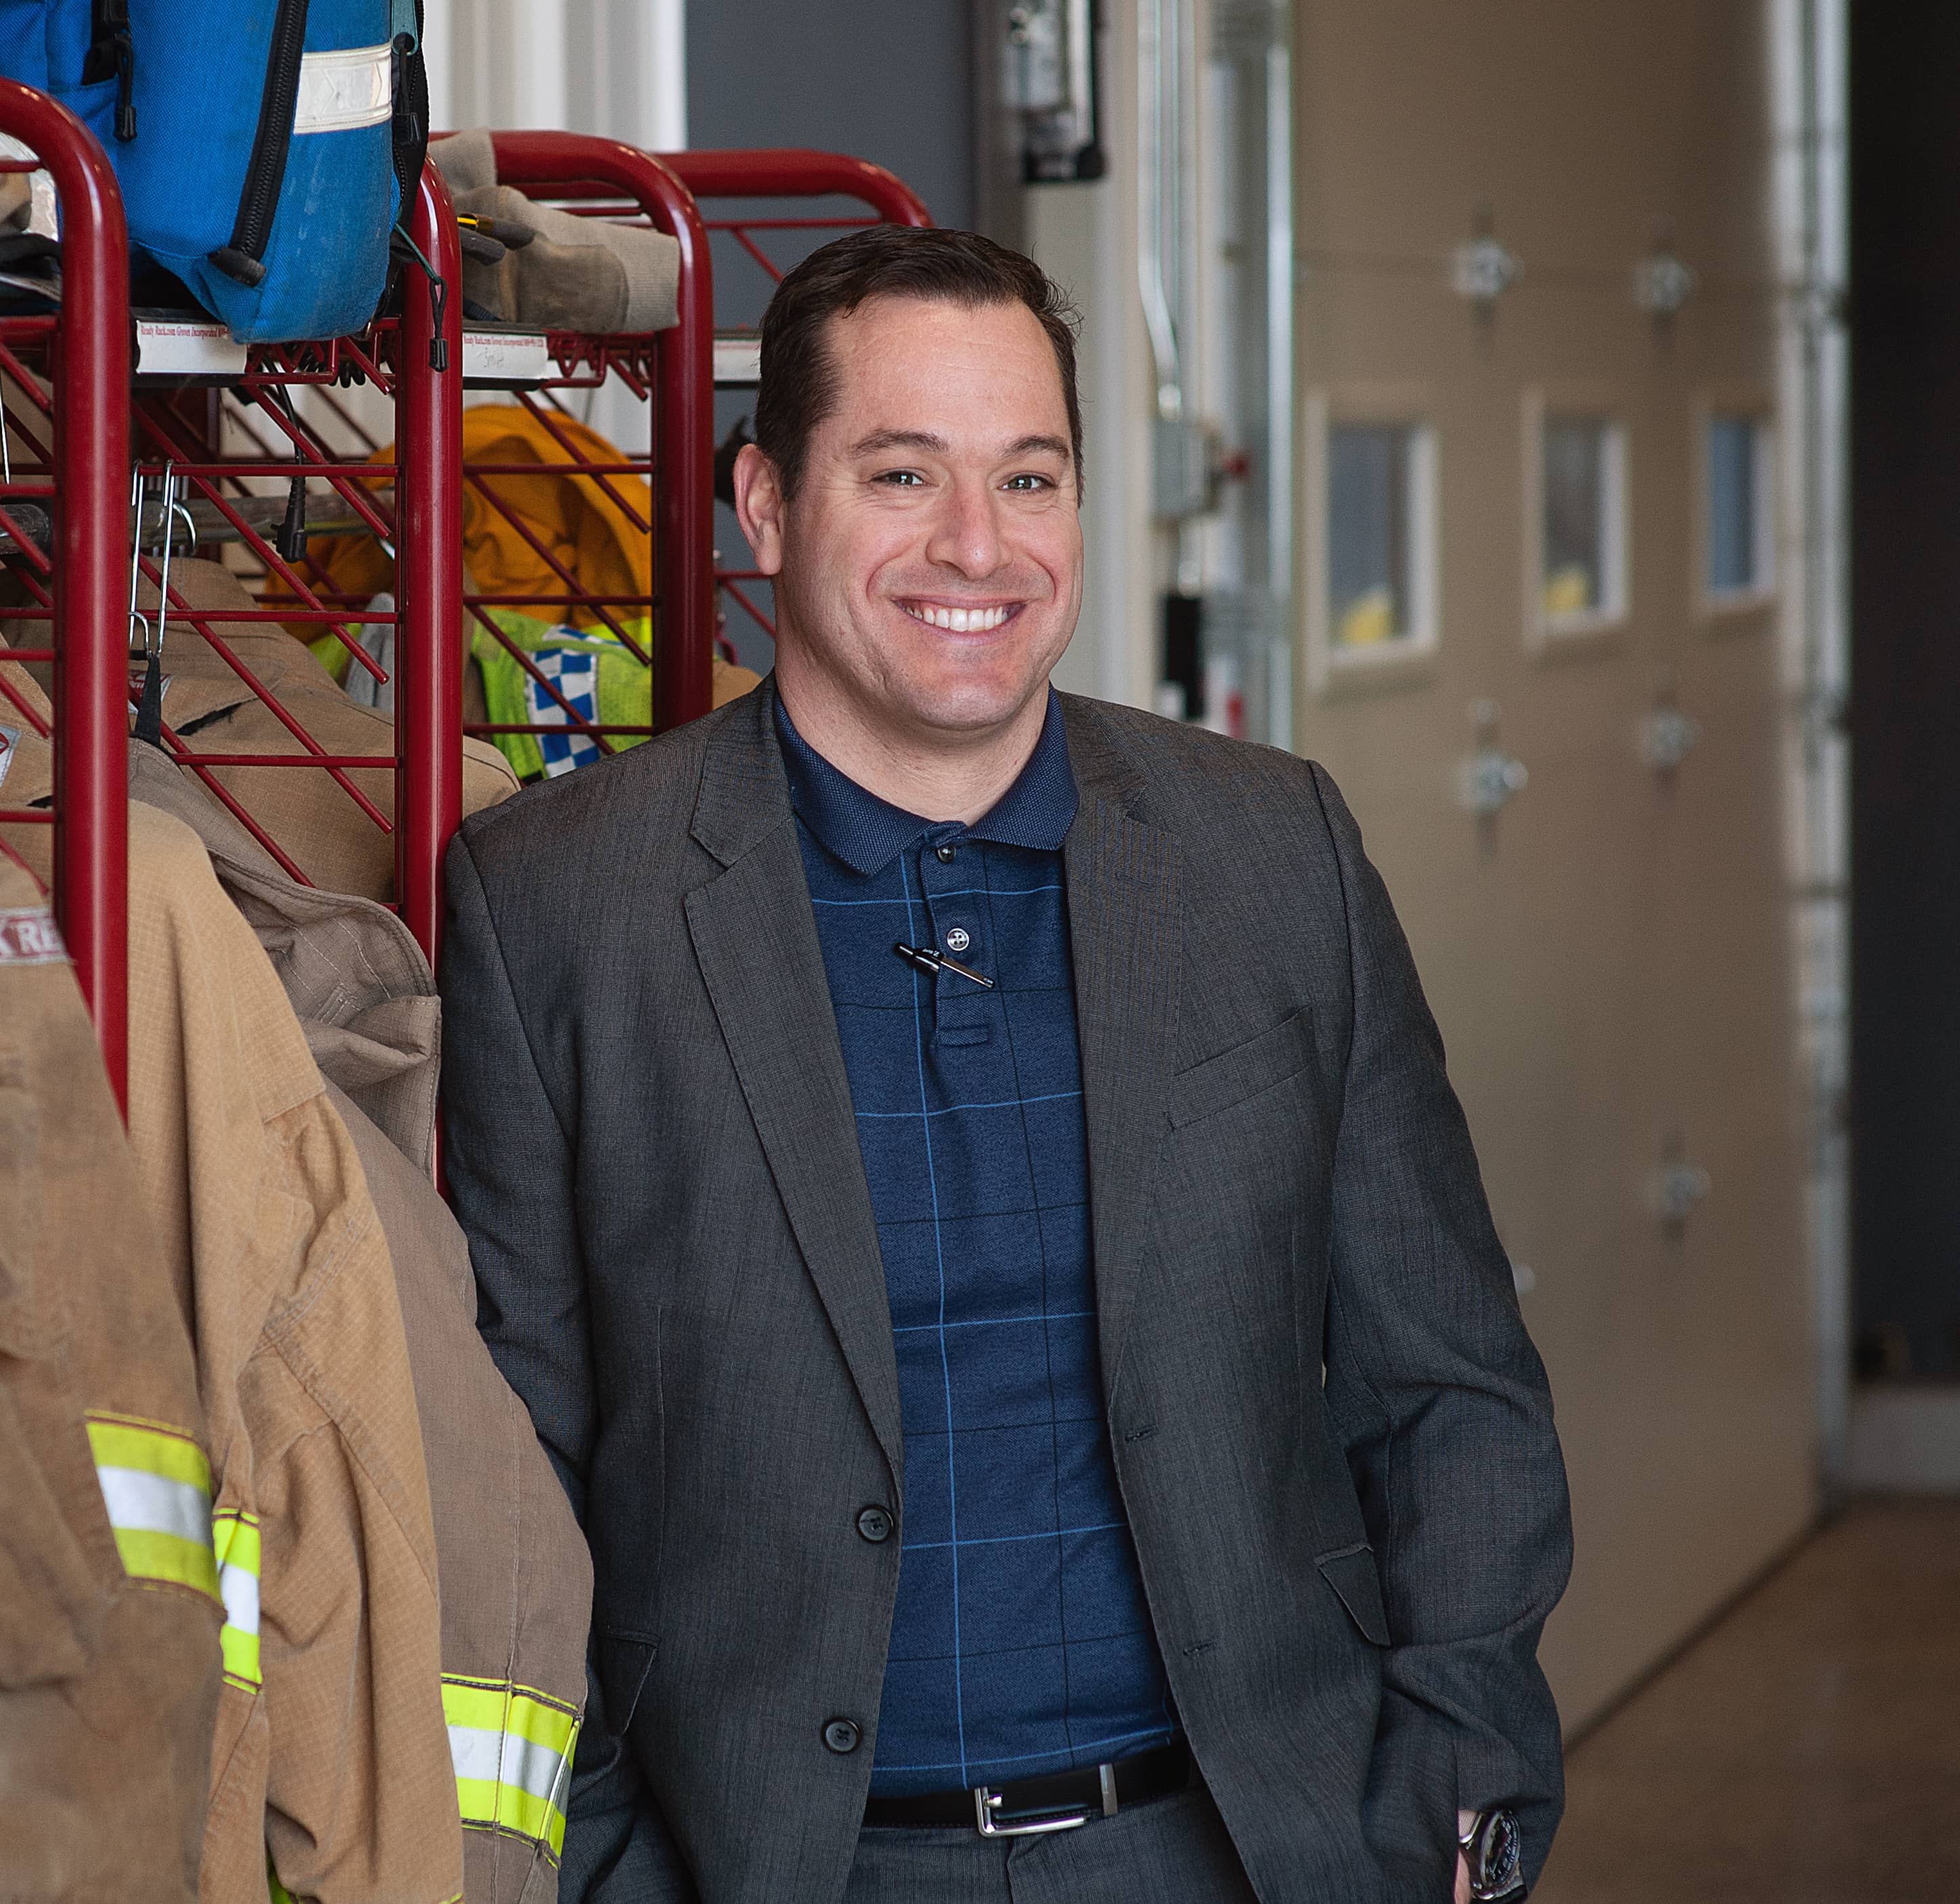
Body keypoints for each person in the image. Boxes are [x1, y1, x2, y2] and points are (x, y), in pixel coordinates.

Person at [438, 225, 1569, 1904]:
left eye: (1031, 479)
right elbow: (505, 1474)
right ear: (765, 506)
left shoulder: (1276, 855)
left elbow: (1453, 1382)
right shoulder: (556, 905)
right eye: (903, 474)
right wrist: (602, 1875)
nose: (980, 545)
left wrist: (1457, 1785)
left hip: (1252, 1848)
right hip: (780, 1869)